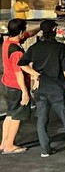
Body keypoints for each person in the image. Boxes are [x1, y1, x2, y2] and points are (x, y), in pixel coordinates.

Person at [18, 20, 65, 157]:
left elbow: (22, 63)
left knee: (42, 120)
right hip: (56, 88)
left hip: (40, 88)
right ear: (55, 30)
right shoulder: (60, 48)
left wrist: (35, 74)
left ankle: (45, 150)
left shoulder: (35, 47)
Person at [0, 19, 38, 154]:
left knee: (10, 114)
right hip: (16, 87)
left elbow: (28, 34)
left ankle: (4, 142)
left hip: (6, 84)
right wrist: (25, 92)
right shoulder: (17, 52)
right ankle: (10, 145)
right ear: (20, 32)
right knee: (17, 116)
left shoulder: (8, 43)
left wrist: (39, 29)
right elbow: (19, 73)